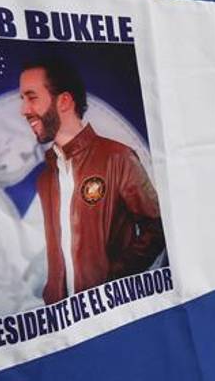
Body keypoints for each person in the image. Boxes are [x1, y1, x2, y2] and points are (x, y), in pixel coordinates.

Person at [18, 60, 165, 304]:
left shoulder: (117, 157)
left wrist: (112, 280)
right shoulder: (46, 178)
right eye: (22, 99)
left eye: (31, 97)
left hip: (111, 313)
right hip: (62, 319)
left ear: (64, 101)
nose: (23, 110)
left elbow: (156, 228)